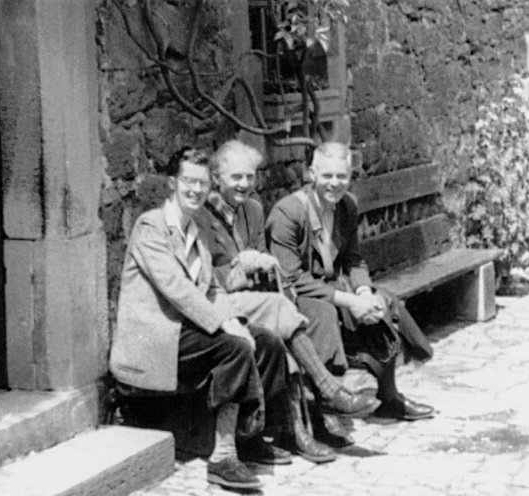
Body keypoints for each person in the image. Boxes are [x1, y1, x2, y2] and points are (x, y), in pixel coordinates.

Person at [109, 147, 290, 491]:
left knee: (265, 341)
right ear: (173, 183)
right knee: (235, 348)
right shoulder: (151, 227)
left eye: (202, 184)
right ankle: (222, 458)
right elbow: (177, 289)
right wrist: (225, 327)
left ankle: (248, 438)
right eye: (189, 181)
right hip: (156, 340)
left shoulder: (197, 231)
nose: (195, 190)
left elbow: (209, 290)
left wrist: (233, 318)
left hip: (187, 331)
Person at [195, 140, 379, 458]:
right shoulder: (200, 218)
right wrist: (242, 268)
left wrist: (262, 267)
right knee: (280, 317)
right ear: (216, 178)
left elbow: (269, 260)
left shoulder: (252, 210)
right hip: (221, 303)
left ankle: (307, 423)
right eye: (235, 177)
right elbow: (206, 278)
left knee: (293, 315)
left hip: (257, 299)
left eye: (250, 177)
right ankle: (316, 407)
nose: (244, 185)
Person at [266, 141, 435, 421]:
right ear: (311, 174)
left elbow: (353, 259)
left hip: (334, 289)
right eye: (327, 176)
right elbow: (291, 277)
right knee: (324, 313)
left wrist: (365, 293)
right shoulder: (288, 212)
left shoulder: (346, 206)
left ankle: (388, 396)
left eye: (341, 176)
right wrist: (349, 300)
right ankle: (324, 409)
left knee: (385, 303)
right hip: (297, 296)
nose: (334, 183)